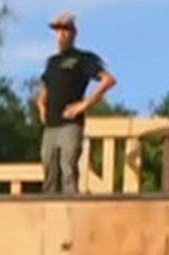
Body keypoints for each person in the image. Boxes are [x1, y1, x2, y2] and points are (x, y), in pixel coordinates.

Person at [36, 12, 117, 194]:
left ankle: (70, 208)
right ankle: (50, 212)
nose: (61, 35)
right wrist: (41, 105)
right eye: (58, 31)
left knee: (68, 168)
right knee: (49, 169)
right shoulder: (52, 62)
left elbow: (108, 80)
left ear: (73, 33)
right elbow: (45, 88)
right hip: (51, 124)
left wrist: (84, 104)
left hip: (70, 124)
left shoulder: (82, 59)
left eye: (65, 30)